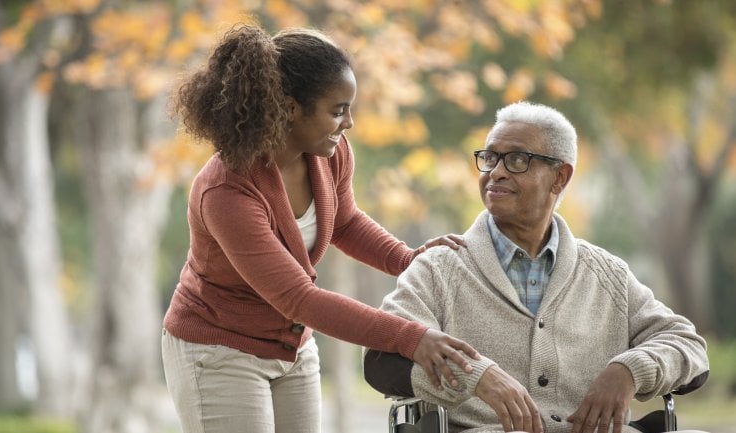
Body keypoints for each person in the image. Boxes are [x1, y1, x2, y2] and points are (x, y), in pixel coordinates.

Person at [161, 23, 482, 433]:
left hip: (292, 347)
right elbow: (298, 298)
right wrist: (411, 339)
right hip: (218, 350)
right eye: (337, 110)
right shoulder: (227, 190)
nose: (349, 122)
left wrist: (408, 260)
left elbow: (345, 221)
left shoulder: (329, 152)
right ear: (290, 108)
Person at [364, 101, 710, 433]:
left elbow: (688, 346)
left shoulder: (608, 275)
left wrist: (630, 370)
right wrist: (476, 376)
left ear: (560, 177)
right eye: (489, 158)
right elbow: (382, 358)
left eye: (516, 160)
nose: (495, 173)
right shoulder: (438, 269)